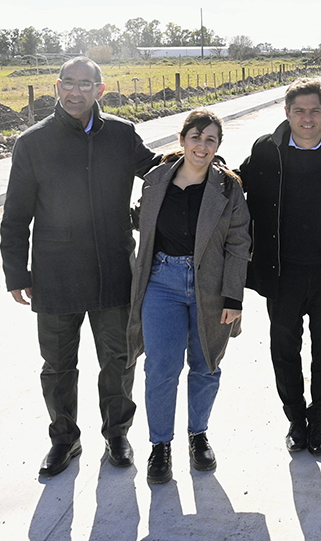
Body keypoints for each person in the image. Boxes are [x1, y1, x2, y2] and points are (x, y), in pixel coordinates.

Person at [1, 56, 158, 478]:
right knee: (56, 366)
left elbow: (158, 173)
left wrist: (204, 161)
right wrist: (16, 273)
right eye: (68, 83)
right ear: (56, 87)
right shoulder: (33, 143)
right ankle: (64, 440)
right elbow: (16, 215)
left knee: (120, 359)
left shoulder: (123, 136)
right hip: (55, 276)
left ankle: (117, 435)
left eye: (85, 84)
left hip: (113, 272)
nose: (76, 91)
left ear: (100, 90)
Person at [238, 79, 321, 457]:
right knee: (284, 349)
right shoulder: (266, 150)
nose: (307, 118)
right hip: (282, 273)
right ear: (287, 113)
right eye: (299, 111)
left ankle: (319, 420)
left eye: (314, 111)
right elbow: (235, 182)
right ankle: (296, 420)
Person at [126, 110, 250, 485]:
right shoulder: (156, 180)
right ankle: (160, 445)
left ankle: (198, 436)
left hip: (209, 287)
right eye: (196, 137)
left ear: (218, 147)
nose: (202, 145)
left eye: (211, 139)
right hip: (161, 282)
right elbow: (140, 222)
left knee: (206, 364)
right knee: (160, 368)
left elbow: (239, 243)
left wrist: (233, 298)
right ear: (182, 140)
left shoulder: (228, 188)